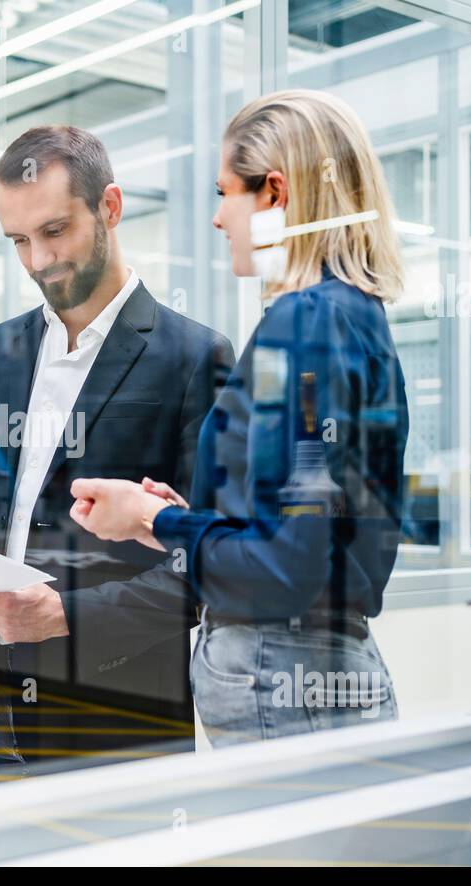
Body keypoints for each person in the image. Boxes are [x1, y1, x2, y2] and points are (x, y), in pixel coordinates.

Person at [67, 90, 410, 746]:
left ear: (276, 193)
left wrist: (151, 518)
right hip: (316, 665)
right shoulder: (352, 317)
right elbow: (298, 529)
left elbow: (288, 569)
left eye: (227, 193)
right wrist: (183, 519)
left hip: (280, 663)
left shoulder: (305, 323)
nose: (220, 218)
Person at [0, 125, 233, 788]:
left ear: (109, 207)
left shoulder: (192, 359)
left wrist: (63, 616)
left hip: (108, 727)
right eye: (18, 241)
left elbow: (211, 565)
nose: (38, 260)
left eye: (55, 230)